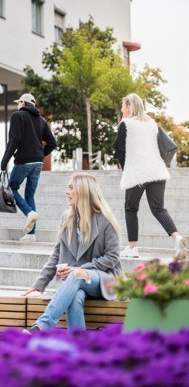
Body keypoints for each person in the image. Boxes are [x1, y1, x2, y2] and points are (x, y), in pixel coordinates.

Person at [23, 173, 122, 332]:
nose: (66, 192)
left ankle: (42, 326)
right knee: (75, 297)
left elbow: (112, 257)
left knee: (77, 275)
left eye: (71, 187)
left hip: (103, 280)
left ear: (83, 191)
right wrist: (39, 285)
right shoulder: (67, 218)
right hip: (73, 282)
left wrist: (82, 270)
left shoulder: (105, 220)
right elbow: (57, 254)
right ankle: (79, 347)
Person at [113, 93, 187, 258]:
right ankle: (177, 237)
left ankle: (133, 248)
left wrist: (126, 172)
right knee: (159, 208)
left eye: (123, 106)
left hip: (138, 173)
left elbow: (120, 153)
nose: (121, 109)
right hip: (157, 171)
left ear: (129, 106)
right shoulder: (151, 122)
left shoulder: (126, 124)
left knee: (130, 208)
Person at [0, 93, 57, 242]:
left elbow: (14, 140)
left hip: (23, 161)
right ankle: (31, 235)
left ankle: (29, 212)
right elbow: (52, 143)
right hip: (38, 163)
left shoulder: (17, 116)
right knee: (30, 195)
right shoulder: (42, 120)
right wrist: (40, 155)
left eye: (18, 102)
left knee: (12, 188)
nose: (17, 105)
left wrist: (4, 162)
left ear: (23, 103)